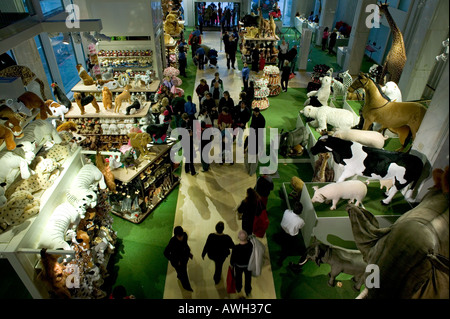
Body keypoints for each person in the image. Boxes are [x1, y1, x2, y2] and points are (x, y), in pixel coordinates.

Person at [164, 226, 194, 292]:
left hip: (184, 259)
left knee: (182, 272)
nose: (181, 238)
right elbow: (166, 253)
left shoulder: (185, 236)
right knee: (184, 275)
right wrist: (175, 261)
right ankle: (187, 287)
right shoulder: (172, 241)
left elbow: (185, 245)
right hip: (177, 262)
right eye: (179, 236)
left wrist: (188, 253)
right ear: (176, 235)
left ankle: (179, 276)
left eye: (181, 235)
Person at [230, 230, 253, 297]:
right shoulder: (250, 246)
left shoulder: (236, 248)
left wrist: (231, 264)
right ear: (247, 238)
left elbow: (233, 258)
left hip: (238, 266)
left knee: (238, 278)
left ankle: (238, 288)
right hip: (248, 266)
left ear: (238, 238)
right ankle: (248, 291)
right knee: (248, 279)